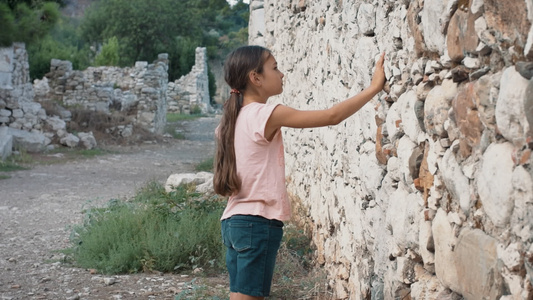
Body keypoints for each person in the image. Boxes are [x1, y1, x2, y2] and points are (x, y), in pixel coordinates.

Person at [213, 45, 386, 300]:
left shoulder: (231, 119)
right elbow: (331, 116)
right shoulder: (265, 114)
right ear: (255, 78)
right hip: (256, 222)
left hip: (233, 222)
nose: (282, 74)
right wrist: (374, 88)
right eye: (275, 68)